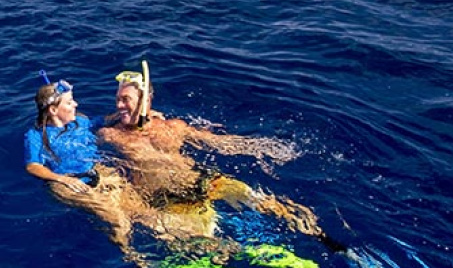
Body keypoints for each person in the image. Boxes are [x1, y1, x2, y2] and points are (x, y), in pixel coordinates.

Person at [97, 64, 344, 253]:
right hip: (170, 201)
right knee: (213, 250)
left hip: (205, 181)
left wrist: (264, 147)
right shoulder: (111, 134)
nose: (119, 105)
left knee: (270, 204)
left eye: (125, 99)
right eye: (117, 99)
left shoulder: (173, 126)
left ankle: (325, 240)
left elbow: (217, 142)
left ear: (146, 100)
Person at [24, 75, 157, 256]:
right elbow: (33, 166)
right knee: (117, 218)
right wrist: (60, 179)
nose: (76, 105)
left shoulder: (81, 122)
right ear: (54, 110)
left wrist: (146, 114)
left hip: (97, 172)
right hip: (66, 183)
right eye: (70, 103)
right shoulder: (35, 135)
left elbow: (108, 119)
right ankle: (133, 257)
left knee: (141, 209)